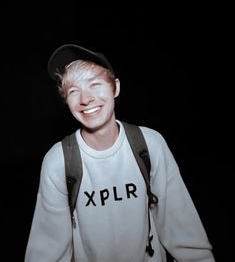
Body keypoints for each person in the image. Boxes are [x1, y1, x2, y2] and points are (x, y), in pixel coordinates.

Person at [24, 43, 215, 262]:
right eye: (73, 91)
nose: (85, 99)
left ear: (115, 87)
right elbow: (48, 251)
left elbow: (185, 234)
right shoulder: (58, 161)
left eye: (95, 84)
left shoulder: (149, 144)